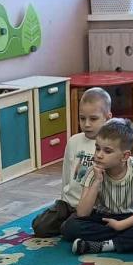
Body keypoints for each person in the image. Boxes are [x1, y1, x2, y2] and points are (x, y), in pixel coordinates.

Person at [61, 118, 133, 255]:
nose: (99, 155)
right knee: (70, 226)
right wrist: (97, 182)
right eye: (97, 148)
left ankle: (107, 245)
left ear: (125, 156)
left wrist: (122, 225)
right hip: (104, 218)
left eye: (107, 151)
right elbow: (82, 213)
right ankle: (132, 243)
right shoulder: (93, 170)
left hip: (132, 218)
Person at [32, 87, 111, 238]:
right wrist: (63, 199)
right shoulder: (74, 141)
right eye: (82, 118)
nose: (87, 124)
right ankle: (69, 224)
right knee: (39, 226)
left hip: (92, 208)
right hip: (68, 203)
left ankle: (85, 228)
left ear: (107, 118)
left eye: (93, 119)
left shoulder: (109, 146)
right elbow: (66, 174)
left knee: (70, 229)